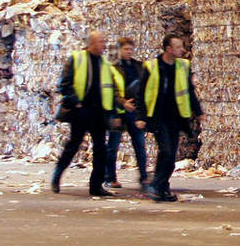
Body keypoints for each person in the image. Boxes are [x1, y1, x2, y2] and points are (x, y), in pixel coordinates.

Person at [52, 30, 124, 197]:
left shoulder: (105, 64)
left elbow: (110, 90)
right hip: (80, 111)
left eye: (104, 42)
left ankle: (96, 185)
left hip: (99, 113)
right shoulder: (77, 59)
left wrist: (114, 113)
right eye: (100, 42)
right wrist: (75, 102)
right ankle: (57, 175)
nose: (104, 45)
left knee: (100, 149)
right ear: (90, 44)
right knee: (73, 145)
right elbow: (64, 84)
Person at [136, 34, 203, 202]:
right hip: (158, 117)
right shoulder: (151, 67)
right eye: (179, 47)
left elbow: (189, 90)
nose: (183, 50)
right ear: (168, 49)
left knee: (170, 156)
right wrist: (141, 116)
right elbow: (141, 94)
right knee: (166, 152)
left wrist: (199, 112)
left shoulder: (182, 66)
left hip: (176, 117)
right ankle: (155, 185)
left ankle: (162, 189)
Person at [104, 36, 148, 190]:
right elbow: (111, 91)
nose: (129, 52)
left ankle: (144, 177)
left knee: (140, 145)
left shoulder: (140, 66)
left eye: (131, 49)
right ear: (118, 50)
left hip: (134, 111)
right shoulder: (112, 68)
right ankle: (110, 178)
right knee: (113, 146)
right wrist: (123, 103)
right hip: (118, 111)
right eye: (126, 49)